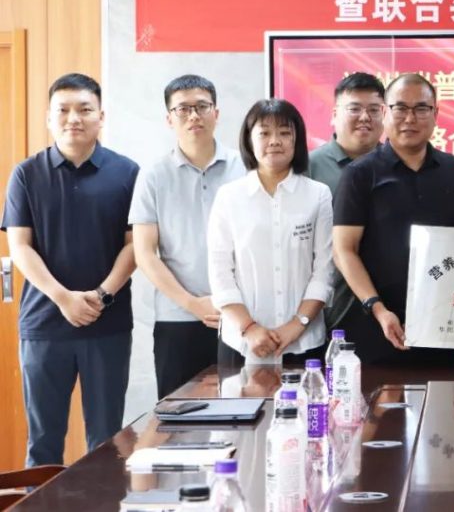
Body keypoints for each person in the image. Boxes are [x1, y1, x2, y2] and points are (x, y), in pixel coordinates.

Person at [1, 73, 139, 465]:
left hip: (107, 325)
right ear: (49, 117)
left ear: (101, 116)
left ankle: (105, 499)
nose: (73, 118)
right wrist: (63, 298)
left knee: (106, 441)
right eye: (63, 110)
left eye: (84, 109)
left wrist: (101, 296)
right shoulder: (26, 174)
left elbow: (135, 246)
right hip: (44, 325)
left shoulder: (127, 173)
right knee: (43, 441)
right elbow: (19, 246)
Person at [333, 74, 454, 364]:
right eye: (400, 108)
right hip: (377, 326)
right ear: (385, 112)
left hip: (445, 328)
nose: (410, 118)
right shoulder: (359, 174)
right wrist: (378, 308)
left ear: (436, 113)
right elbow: (343, 251)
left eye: (421, 108)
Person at [130, 74, 245, 398]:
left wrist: (233, 304)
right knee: (178, 414)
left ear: (216, 113)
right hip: (177, 318)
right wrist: (192, 304)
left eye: (202, 107)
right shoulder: (153, 176)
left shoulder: (246, 168)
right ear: (169, 119)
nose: (193, 116)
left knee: (242, 411)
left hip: (241, 317)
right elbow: (145, 253)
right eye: (182, 109)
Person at [208, 99, 333, 366]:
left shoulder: (318, 194)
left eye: (284, 133)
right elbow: (220, 271)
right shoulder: (229, 197)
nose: (275, 141)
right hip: (241, 342)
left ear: (297, 140)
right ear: (249, 139)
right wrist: (249, 327)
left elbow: (324, 269)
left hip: (304, 342)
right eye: (264, 133)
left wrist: (297, 325)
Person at [308, 72, 386, 332]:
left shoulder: (397, 165)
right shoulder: (309, 167)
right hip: (328, 305)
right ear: (334, 114)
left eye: (374, 110)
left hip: (389, 303)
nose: (365, 117)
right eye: (354, 109)